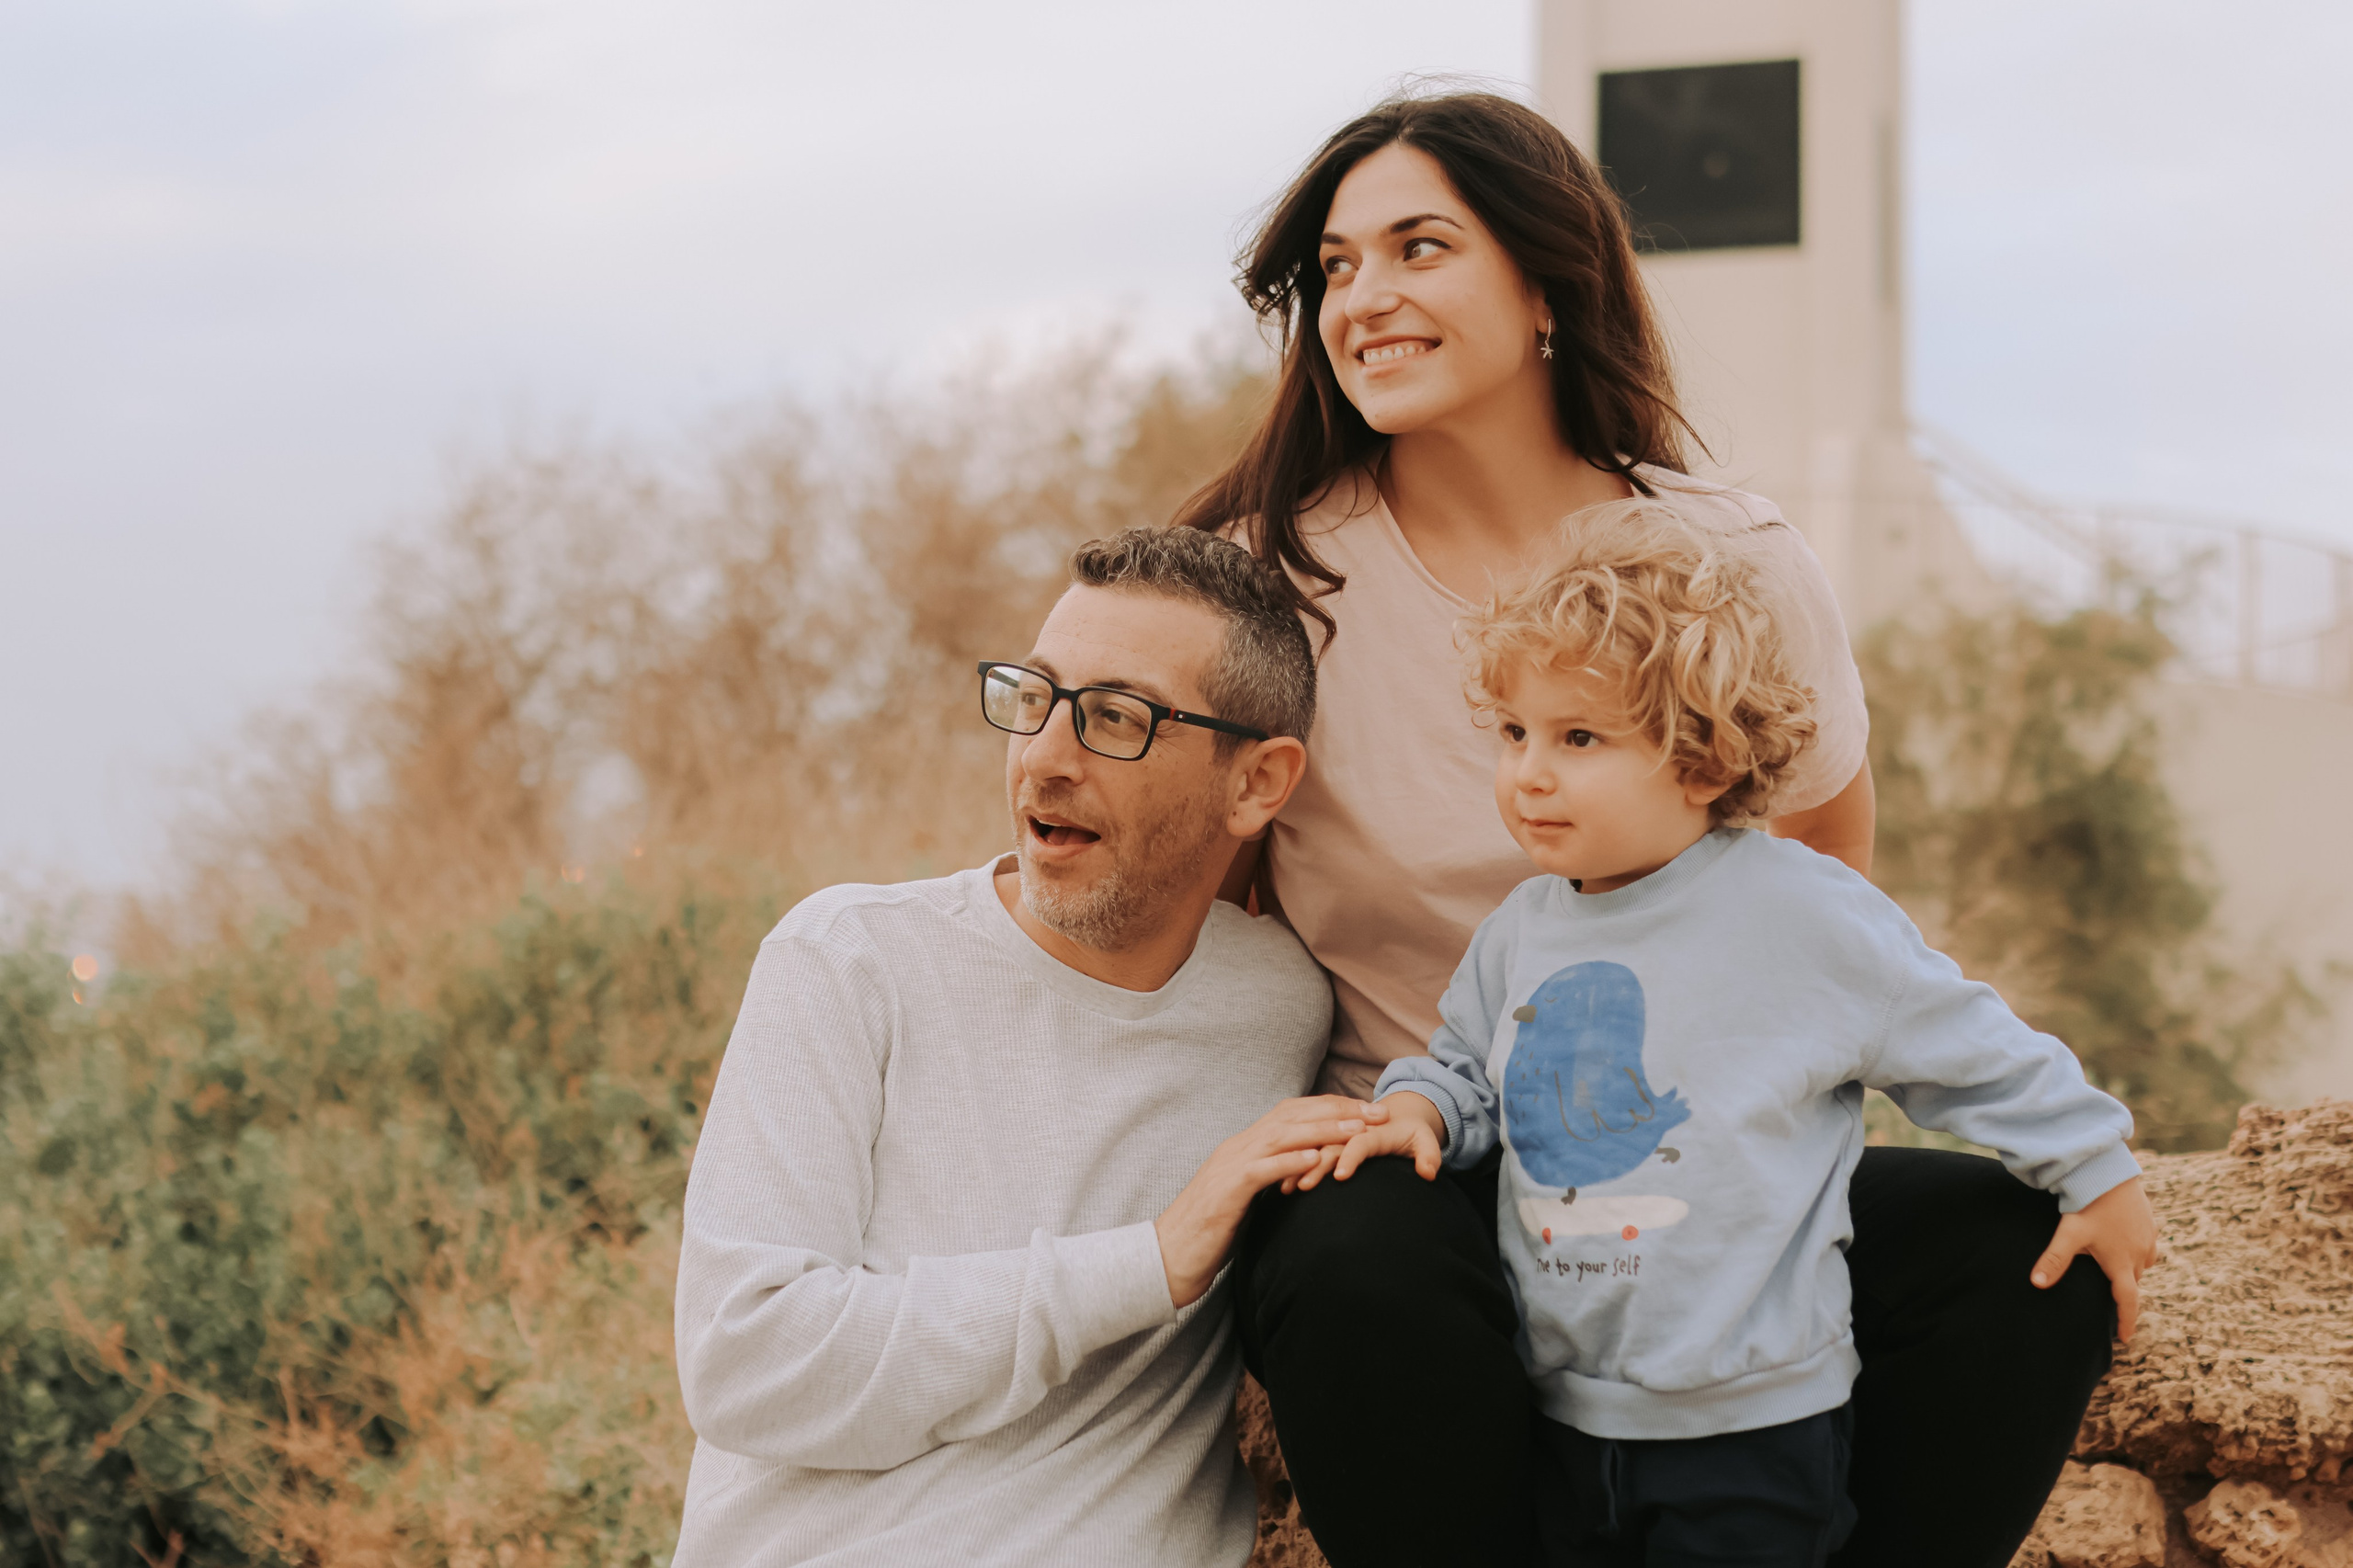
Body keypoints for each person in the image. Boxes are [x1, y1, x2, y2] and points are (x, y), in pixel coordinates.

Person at [1176, 90, 2148, 1566]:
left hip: (1695, 1169)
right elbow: (1207, 913)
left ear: (1548, 281)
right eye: (1336, 266)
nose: (1363, 297)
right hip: (1428, 1171)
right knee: (1345, 1258)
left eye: (1418, 247)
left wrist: (1761, 1163)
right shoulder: (1269, 586)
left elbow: (1821, 881)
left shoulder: (1733, 560)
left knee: (2018, 1262)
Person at [1328, 504, 2155, 1565]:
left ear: (1704, 760)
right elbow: (1465, 1072)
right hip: (1567, 1409)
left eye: (1578, 737)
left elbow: (1968, 1042)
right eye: (1514, 733)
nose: (1528, 771)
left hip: (1751, 1426)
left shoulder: (1799, 913)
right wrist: (1417, 1106)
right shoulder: (1520, 930)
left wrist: (2096, 1168)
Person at [670, 527, 1401, 1567]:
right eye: (1035, 697)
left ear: (1257, 783)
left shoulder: (1281, 1003)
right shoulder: (847, 958)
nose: (1045, 758)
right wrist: (1149, 1260)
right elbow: (744, 1360)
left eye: (1115, 717)